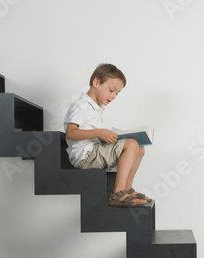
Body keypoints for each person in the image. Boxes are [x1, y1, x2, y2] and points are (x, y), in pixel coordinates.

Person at [63, 63, 151, 206]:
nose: (114, 96)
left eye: (117, 93)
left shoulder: (96, 107)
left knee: (139, 148)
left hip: (94, 151)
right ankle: (118, 193)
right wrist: (99, 132)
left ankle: (127, 189)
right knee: (131, 144)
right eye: (111, 90)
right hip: (85, 156)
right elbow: (70, 132)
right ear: (96, 82)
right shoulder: (82, 105)